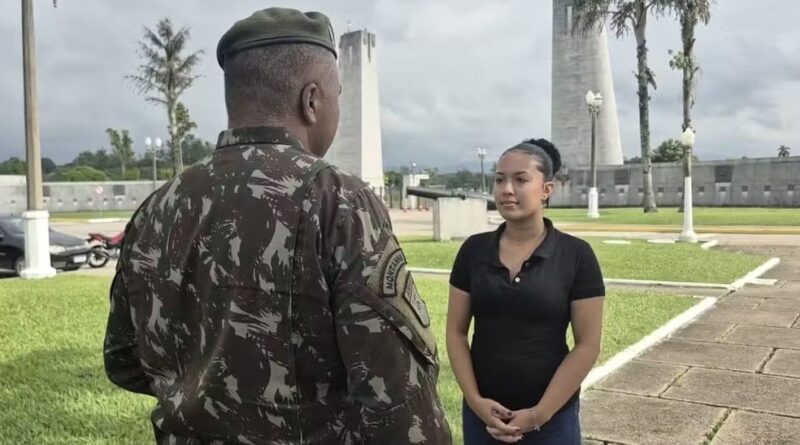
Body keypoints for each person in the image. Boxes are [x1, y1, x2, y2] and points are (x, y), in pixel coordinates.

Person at [103, 8, 451, 444]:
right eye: (337, 95)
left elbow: (123, 359)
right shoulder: (336, 201)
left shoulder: (159, 205)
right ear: (312, 100)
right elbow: (401, 400)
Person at [446, 139, 605, 444]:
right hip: (484, 420)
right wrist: (476, 401)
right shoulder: (473, 251)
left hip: (552, 421)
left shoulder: (576, 255)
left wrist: (538, 415)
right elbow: (455, 332)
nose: (507, 189)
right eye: (500, 179)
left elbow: (587, 345)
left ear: (547, 189)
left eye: (520, 180)